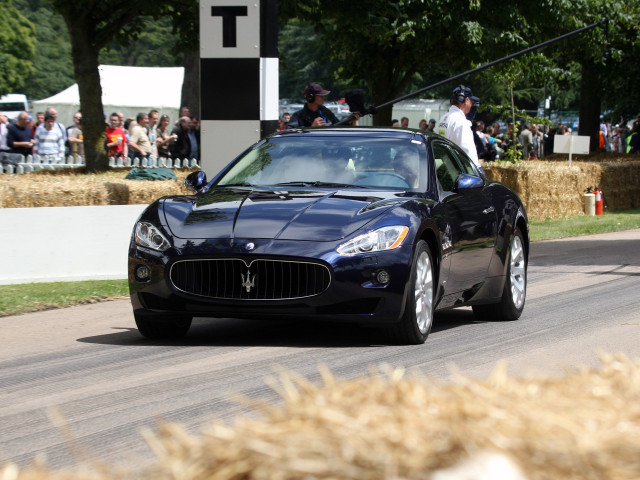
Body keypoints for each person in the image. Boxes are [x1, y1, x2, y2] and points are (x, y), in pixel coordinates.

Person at [437, 85, 481, 170]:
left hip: (447, 164)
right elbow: (468, 152)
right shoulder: (460, 121)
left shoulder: (444, 118)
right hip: (459, 168)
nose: (472, 105)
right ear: (467, 100)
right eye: (471, 101)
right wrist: (478, 170)